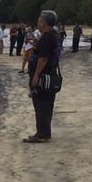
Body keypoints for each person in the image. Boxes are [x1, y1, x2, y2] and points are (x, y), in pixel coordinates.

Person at [24, 10, 60, 143]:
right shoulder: (53, 35)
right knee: (46, 105)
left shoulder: (48, 37)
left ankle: (41, 134)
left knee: (41, 105)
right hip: (50, 75)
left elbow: (43, 59)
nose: (37, 22)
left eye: (39, 20)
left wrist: (36, 76)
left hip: (43, 76)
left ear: (44, 22)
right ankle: (44, 132)